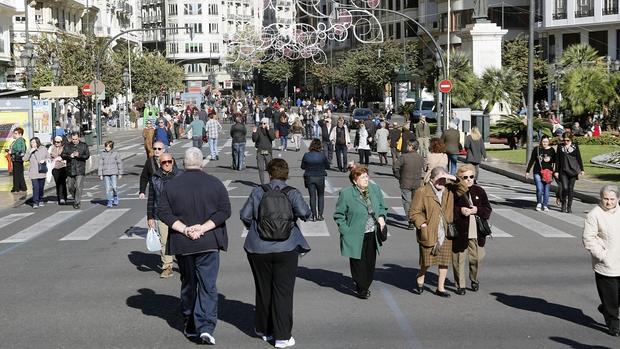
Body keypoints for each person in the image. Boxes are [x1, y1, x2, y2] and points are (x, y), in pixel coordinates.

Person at [157, 147, 231, 345]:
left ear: (183, 163)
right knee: (208, 285)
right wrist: (203, 228)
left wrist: (185, 229)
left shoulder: (171, 186)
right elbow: (225, 211)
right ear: (201, 162)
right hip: (209, 241)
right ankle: (206, 326)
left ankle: (190, 324)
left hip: (183, 243)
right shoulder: (215, 183)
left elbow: (163, 212)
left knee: (189, 284)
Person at [240, 158, 311, 348]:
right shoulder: (292, 193)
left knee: (263, 289)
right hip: (286, 248)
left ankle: (264, 330)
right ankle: (282, 336)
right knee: (283, 292)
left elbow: (244, 215)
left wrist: (256, 227)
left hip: (258, 248)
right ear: (286, 174)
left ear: (270, 173)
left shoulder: (258, 191)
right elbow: (305, 213)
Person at [410, 166, 467, 297]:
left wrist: (452, 178)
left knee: (444, 261)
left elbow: (463, 189)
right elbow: (414, 212)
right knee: (427, 261)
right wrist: (422, 224)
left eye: (444, 180)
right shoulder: (422, 191)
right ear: (432, 178)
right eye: (439, 179)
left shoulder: (449, 190)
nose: (442, 182)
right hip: (429, 231)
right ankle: (421, 275)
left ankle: (440, 288)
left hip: (445, 231)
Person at [334, 166, 388, 299]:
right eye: (362, 177)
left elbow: (382, 206)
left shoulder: (374, 189)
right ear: (354, 180)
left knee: (370, 261)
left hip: (372, 232)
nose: (366, 179)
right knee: (357, 262)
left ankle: (365, 284)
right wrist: (345, 230)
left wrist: (381, 217)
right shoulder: (346, 193)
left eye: (366, 176)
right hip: (354, 233)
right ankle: (361, 287)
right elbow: (339, 215)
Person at [583, 185, 620, 337]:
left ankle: (606, 308)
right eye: (605, 199)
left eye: (612, 199)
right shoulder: (594, 214)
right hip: (606, 264)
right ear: (601, 198)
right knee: (610, 298)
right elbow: (588, 238)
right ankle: (614, 325)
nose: (609, 202)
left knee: (616, 298)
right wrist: (602, 255)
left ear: (618, 199)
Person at [452, 164, 492, 295]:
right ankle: (460, 284)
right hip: (460, 230)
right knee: (459, 259)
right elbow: (448, 211)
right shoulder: (454, 192)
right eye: (465, 177)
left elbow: (487, 209)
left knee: (477, 258)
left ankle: (474, 279)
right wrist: (460, 210)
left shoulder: (479, 190)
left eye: (471, 176)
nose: (469, 179)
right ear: (459, 178)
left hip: (477, 231)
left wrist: (477, 210)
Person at [148, 152, 182, 278]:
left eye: (169, 161)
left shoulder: (181, 175)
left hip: (179, 213)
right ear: (159, 164)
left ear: (173, 162)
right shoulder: (155, 178)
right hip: (162, 213)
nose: (167, 164)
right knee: (164, 241)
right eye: (164, 162)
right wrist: (150, 217)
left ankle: (184, 264)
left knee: (181, 239)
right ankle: (167, 266)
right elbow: (151, 198)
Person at [394, 141, 424, 229]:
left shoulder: (404, 157)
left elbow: (395, 167)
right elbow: (424, 168)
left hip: (405, 182)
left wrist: (398, 176)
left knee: (407, 201)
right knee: (416, 202)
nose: (407, 146)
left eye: (408, 145)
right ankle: (415, 218)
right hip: (417, 182)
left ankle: (410, 220)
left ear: (411, 146)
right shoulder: (420, 157)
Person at [301, 139, 330, 221]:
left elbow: (302, 166)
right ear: (319, 146)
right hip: (320, 177)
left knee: (312, 197)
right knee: (321, 196)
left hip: (310, 177)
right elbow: (327, 166)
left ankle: (314, 215)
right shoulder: (322, 155)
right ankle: (320, 215)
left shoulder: (306, 155)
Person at [555, 133, 584, 213]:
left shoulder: (575, 146)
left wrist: (582, 169)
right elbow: (557, 159)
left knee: (571, 189)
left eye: (568, 140)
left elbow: (579, 158)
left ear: (571, 139)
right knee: (565, 188)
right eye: (564, 140)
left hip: (573, 171)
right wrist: (556, 171)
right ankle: (563, 203)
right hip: (563, 171)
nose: (566, 142)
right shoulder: (560, 147)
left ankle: (569, 207)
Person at [526, 135, 556, 212]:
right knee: (539, 188)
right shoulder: (537, 149)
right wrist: (527, 171)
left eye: (546, 142)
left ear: (549, 142)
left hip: (548, 172)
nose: (545, 143)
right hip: (537, 171)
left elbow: (555, 160)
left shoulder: (552, 150)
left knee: (546, 189)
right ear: (541, 142)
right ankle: (539, 203)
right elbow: (532, 160)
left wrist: (550, 159)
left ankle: (545, 205)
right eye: (543, 141)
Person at [62, 132, 90, 209]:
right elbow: (62, 155)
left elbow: (87, 155)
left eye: (76, 139)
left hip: (80, 169)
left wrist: (79, 155)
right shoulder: (67, 145)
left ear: (79, 138)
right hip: (70, 169)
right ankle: (76, 197)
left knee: (78, 186)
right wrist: (69, 156)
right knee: (70, 186)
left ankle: (77, 202)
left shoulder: (83, 145)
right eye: (73, 139)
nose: (74, 141)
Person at [24, 137, 49, 208]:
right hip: (33, 172)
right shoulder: (29, 150)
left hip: (41, 171)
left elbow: (48, 157)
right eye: (31, 142)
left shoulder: (43, 149)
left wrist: (44, 160)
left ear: (37, 142)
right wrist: (30, 152)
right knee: (35, 187)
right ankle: (35, 202)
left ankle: (40, 199)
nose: (32, 144)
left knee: (41, 187)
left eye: (34, 142)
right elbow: (24, 159)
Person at [98, 141, 123, 208]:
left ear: (111, 147)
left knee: (114, 187)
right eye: (106, 146)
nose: (107, 148)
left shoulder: (115, 153)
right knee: (108, 188)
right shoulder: (102, 154)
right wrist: (100, 174)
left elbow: (119, 163)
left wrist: (120, 173)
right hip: (106, 173)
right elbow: (100, 164)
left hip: (113, 173)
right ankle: (109, 201)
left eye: (108, 147)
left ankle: (115, 197)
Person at [253, 118, 276, 184]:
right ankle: (262, 183)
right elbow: (254, 139)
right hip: (260, 151)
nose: (263, 125)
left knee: (270, 168)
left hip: (268, 151)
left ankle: (271, 182)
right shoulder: (258, 130)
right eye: (261, 123)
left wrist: (268, 129)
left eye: (264, 123)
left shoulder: (271, 130)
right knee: (260, 168)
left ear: (268, 123)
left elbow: (272, 138)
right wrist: (254, 133)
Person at [49, 136, 68, 204]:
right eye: (55, 142)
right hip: (55, 168)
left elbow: (65, 156)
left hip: (63, 167)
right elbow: (49, 157)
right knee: (58, 183)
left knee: (62, 182)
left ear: (61, 142)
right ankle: (60, 197)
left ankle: (63, 197)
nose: (56, 143)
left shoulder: (64, 148)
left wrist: (60, 158)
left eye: (58, 142)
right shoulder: (52, 148)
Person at [9, 127, 27, 193]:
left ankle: (16, 188)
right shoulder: (19, 140)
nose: (14, 135)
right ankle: (22, 187)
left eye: (16, 133)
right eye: (14, 133)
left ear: (20, 134)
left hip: (17, 159)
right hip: (18, 159)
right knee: (19, 173)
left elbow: (19, 149)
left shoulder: (19, 140)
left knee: (16, 174)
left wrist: (12, 151)